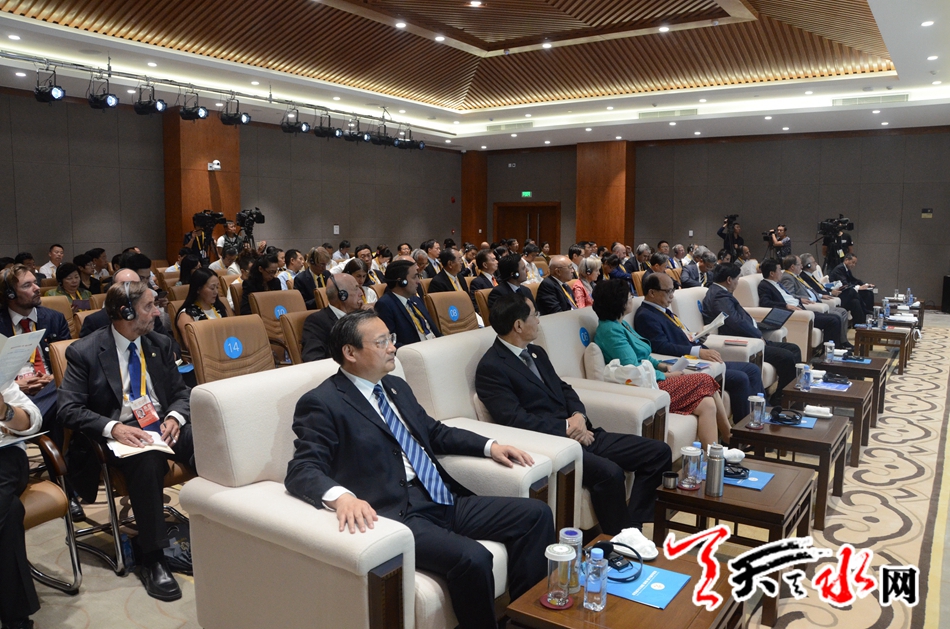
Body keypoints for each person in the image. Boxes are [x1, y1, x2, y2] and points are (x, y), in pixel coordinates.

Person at [286, 309, 552, 628]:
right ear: (350, 352)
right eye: (382, 342)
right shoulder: (324, 402)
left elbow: (434, 432)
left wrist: (489, 446)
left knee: (535, 515)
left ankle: (525, 621)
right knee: (474, 557)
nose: (392, 347)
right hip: (398, 512)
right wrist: (342, 498)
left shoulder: (395, 386)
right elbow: (302, 468)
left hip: (441, 496)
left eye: (391, 338)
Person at [475, 293, 671, 533]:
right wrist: (568, 428)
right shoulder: (492, 367)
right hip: (554, 445)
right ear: (518, 325)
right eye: (535, 315)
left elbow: (564, 388)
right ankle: (619, 537)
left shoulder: (536, 352)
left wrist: (579, 416)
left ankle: (633, 526)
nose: (538, 320)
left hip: (583, 432)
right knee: (610, 473)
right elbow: (515, 420)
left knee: (658, 452)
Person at [59, 280, 195, 602]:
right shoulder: (85, 351)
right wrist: (114, 428)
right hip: (117, 435)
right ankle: (154, 557)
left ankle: (224, 523)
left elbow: (181, 393)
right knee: (147, 460)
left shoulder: (159, 343)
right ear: (126, 312)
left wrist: (175, 417)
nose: (157, 312)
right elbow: (68, 409)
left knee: (213, 441)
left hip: (161, 425)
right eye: (149, 306)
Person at [593, 279, 730, 446]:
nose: (632, 299)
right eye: (629, 296)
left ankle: (713, 456)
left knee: (707, 404)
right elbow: (634, 369)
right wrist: (666, 375)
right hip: (645, 387)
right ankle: (729, 435)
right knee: (705, 380)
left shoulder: (620, 324)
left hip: (650, 379)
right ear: (618, 302)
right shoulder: (610, 331)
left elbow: (642, 356)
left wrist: (662, 365)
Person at [634, 272, 764, 421]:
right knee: (741, 378)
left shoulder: (662, 310)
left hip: (699, 355)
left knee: (752, 369)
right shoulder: (646, 315)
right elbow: (661, 347)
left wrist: (696, 336)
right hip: (689, 362)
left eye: (673, 290)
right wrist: (697, 351)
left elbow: (679, 334)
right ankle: (745, 428)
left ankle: (761, 417)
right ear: (652, 292)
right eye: (668, 291)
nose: (672, 296)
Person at [702, 264, 802, 404]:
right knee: (786, 356)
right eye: (737, 279)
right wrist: (757, 334)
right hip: (745, 341)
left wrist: (756, 325)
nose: (738, 282)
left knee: (794, 348)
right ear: (729, 280)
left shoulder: (720, 292)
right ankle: (782, 398)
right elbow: (735, 322)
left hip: (751, 336)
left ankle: (789, 394)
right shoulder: (719, 295)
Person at [0, 379, 44, 629]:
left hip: (4, 456)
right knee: (11, 511)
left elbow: (33, 420)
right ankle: (16, 621)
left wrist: (4, 411)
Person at [758, 258, 851, 350]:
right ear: (772, 273)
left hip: (800, 308)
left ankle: (836, 349)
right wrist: (785, 306)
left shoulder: (778, 284)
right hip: (794, 313)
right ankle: (830, 351)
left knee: (836, 317)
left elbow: (789, 296)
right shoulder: (765, 285)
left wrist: (799, 299)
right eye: (779, 270)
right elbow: (765, 302)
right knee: (832, 321)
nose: (781, 273)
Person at [374, 260, 440, 347]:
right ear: (401, 282)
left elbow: (435, 331)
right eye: (414, 277)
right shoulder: (385, 305)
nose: (418, 281)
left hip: (435, 345)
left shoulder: (416, 300)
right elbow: (391, 342)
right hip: (416, 350)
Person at [781, 255, 850, 337]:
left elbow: (811, 289)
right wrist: (800, 299)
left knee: (842, 311)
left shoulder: (796, 276)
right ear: (792, 267)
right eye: (799, 264)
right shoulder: (787, 277)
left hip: (816, 302)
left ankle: (842, 341)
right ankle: (837, 343)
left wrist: (820, 295)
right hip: (808, 305)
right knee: (837, 316)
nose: (802, 267)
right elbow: (788, 295)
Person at [300, 273, 364, 362]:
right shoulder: (317, 322)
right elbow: (313, 359)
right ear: (343, 295)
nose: (361, 293)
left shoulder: (361, 317)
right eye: (356, 288)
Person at [799, 253, 866, 325]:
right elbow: (815, 291)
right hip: (827, 298)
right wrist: (830, 293)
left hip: (831, 294)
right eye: (814, 262)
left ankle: (860, 325)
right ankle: (866, 311)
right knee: (851, 291)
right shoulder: (804, 277)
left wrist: (832, 290)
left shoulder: (810, 276)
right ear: (808, 265)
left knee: (855, 302)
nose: (816, 264)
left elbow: (821, 287)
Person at [175, 268, 228, 353]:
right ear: (198, 289)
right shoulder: (186, 315)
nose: (216, 292)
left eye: (217, 287)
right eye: (212, 288)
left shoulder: (219, 307)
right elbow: (192, 348)